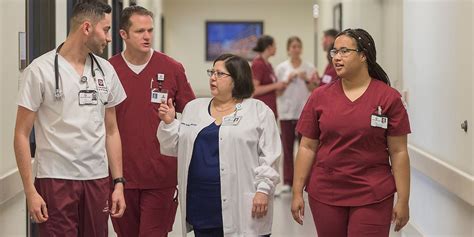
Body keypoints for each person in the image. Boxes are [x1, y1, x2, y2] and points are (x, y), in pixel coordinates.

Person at [13, 2, 126, 236]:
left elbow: (112, 130)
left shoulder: (106, 70)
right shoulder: (40, 70)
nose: (108, 38)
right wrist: (30, 192)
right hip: (55, 179)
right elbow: (21, 134)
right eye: (105, 30)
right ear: (87, 27)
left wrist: (118, 183)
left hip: (96, 178)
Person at [291, 28, 411, 237]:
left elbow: (399, 151)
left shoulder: (388, 98)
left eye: (344, 51)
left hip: (373, 193)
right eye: (334, 52)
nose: (337, 57)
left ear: (363, 55)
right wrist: (296, 191)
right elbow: (307, 146)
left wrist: (403, 200)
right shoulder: (320, 97)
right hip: (327, 192)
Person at [157, 54, 281, 237]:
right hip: (202, 202)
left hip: (242, 202)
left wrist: (263, 190)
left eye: (220, 74)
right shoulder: (194, 108)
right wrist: (169, 122)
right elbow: (176, 146)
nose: (213, 77)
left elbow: (270, 156)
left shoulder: (258, 111)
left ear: (237, 79)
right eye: (212, 72)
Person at [108, 5, 196, 237]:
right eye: (139, 31)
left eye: (150, 30)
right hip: (120, 177)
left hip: (161, 176)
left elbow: (193, 115)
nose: (147, 36)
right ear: (123, 34)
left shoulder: (172, 68)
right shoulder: (108, 70)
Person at [274, 36, 315, 195]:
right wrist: (287, 79)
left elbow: (314, 89)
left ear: (301, 49)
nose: (296, 49)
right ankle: (288, 182)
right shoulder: (281, 68)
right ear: (288, 49)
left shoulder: (309, 67)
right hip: (286, 113)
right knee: (287, 149)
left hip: (304, 114)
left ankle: (307, 181)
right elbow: (277, 91)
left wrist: (305, 79)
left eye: (298, 46)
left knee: (306, 149)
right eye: (293, 47)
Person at [251, 35, 287, 116]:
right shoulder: (258, 64)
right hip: (261, 111)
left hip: (271, 108)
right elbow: (254, 90)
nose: (276, 48)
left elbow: (273, 88)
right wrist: (275, 86)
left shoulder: (269, 65)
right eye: (275, 45)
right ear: (269, 47)